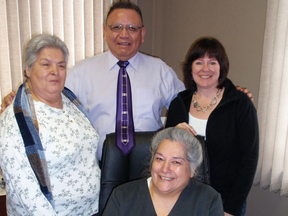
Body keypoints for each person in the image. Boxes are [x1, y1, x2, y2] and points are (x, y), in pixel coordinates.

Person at [0, 2, 253, 161]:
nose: (124, 34)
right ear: (105, 31)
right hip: (100, 167)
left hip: (150, 169)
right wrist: (22, 97)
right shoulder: (81, 72)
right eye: (116, 27)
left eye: (132, 28)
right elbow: (50, 97)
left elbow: (195, 100)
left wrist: (228, 94)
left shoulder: (160, 71)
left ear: (142, 34)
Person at [0, 34, 101, 215]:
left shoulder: (72, 102)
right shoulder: (16, 121)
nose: (55, 71)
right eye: (46, 64)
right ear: (28, 69)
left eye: (61, 65)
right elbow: (27, 194)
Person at [165, 37, 259, 216]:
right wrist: (173, 134)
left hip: (224, 200)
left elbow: (249, 159)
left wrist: (231, 208)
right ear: (190, 68)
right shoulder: (179, 103)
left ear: (222, 67)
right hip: (183, 196)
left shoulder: (240, 103)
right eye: (199, 62)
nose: (205, 69)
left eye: (212, 62)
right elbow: (167, 152)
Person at [102, 127, 224, 216]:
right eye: (160, 159)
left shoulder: (208, 199)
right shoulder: (122, 196)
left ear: (193, 169)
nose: (165, 169)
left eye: (176, 162)